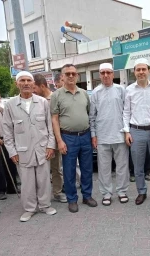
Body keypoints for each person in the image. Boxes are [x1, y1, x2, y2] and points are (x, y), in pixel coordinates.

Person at [3, 71, 57, 222]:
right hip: (22, 151)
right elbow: (7, 131)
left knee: (44, 179)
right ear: (17, 84)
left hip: (42, 149)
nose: (26, 83)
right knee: (27, 182)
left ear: (33, 84)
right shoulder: (10, 105)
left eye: (28, 81)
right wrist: (12, 151)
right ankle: (29, 208)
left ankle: (45, 205)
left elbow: (49, 126)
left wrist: (50, 145)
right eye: (22, 81)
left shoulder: (42, 102)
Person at [51, 64, 97, 212]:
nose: (71, 76)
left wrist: (92, 136)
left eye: (73, 73)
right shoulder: (56, 95)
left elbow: (89, 115)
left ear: (77, 76)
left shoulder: (84, 93)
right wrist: (59, 141)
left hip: (85, 135)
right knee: (69, 170)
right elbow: (54, 119)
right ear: (62, 77)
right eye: (68, 74)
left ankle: (87, 195)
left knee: (87, 168)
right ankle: (72, 199)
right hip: (67, 137)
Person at [122, 58, 150, 205]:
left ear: (148, 71)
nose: (141, 72)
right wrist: (127, 132)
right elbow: (126, 112)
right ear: (134, 72)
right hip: (136, 131)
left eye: (143, 69)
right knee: (138, 165)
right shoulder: (129, 90)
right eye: (138, 70)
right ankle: (141, 192)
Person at [89, 63, 129, 206]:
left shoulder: (120, 90)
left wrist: (126, 131)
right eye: (103, 73)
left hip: (119, 135)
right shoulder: (95, 92)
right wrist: (93, 135)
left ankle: (122, 191)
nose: (105, 75)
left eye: (108, 72)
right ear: (99, 75)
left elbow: (126, 112)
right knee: (104, 168)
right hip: (102, 136)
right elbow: (92, 116)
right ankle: (106, 193)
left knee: (122, 166)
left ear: (113, 74)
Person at [33, 74, 67, 203]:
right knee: (40, 169)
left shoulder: (56, 97)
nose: (32, 91)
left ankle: (57, 192)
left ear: (42, 86)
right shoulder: (34, 100)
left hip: (55, 138)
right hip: (39, 140)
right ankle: (41, 194)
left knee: (56, 168)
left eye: (34, 87)